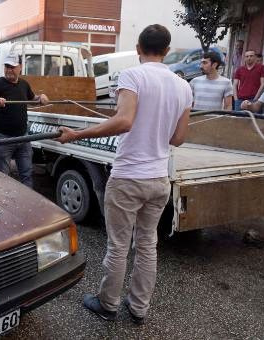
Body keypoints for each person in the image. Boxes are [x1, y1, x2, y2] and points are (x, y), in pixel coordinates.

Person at [56, 24, 192, 325]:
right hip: (159, 179)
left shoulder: (133, 75)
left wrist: (77, 134)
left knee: (119, 245)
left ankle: (108, 304)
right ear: (167, 51)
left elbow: (124, 121)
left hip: (129, 176)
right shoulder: (183, 86)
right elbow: (179, 138)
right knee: (147, 245)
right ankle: (139, 307)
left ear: (139, 47)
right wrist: (157, 127)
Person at [0, 53, 49, 187]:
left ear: (20, 67)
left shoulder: (24, 84)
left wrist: (40, 98)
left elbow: (32, 99)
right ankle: (4, 204)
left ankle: (26, 204)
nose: (9, 69)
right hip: (3, 139)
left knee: (27, 174)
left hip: (23, 138)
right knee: (3, 177)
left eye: (12, 67)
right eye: (7, 66)